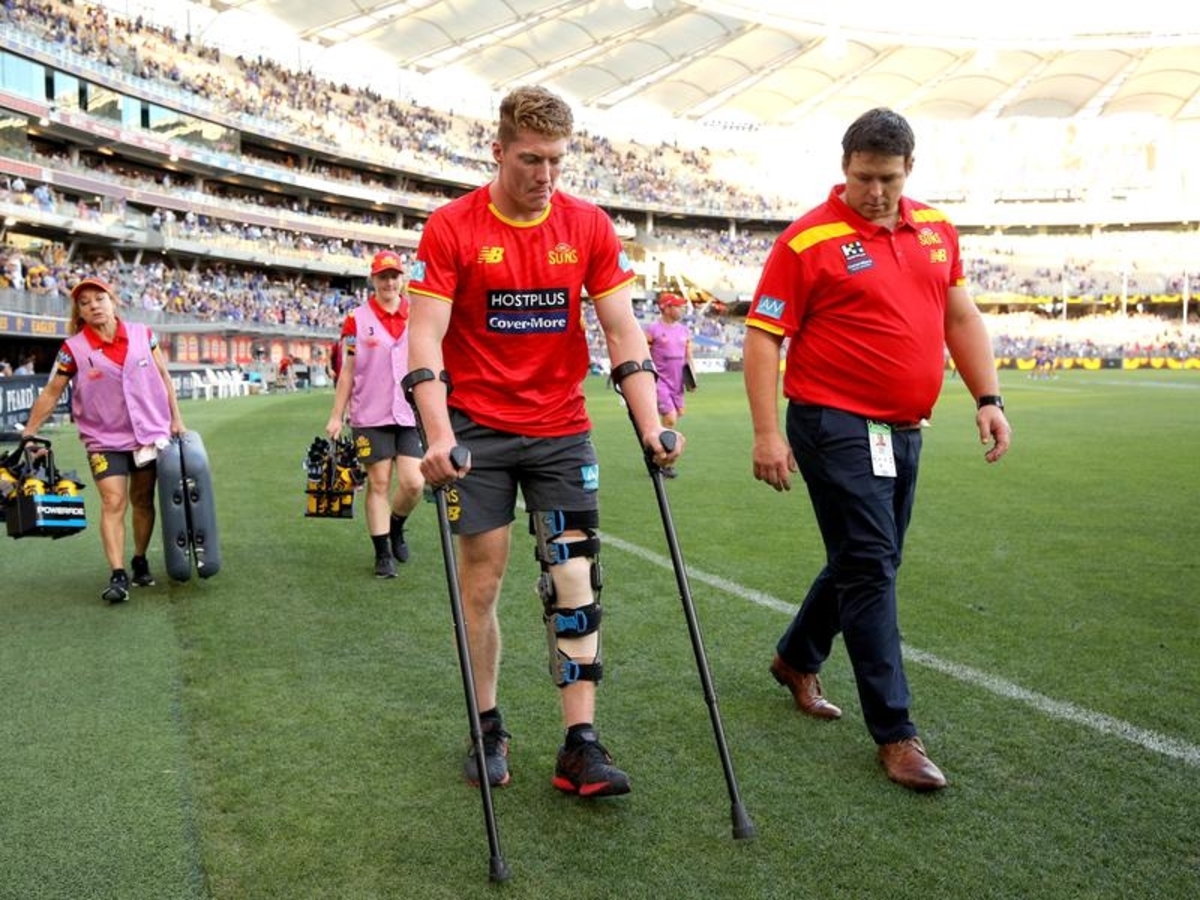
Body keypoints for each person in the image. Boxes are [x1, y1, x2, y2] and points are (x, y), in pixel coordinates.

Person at [405, 85, 681, 798]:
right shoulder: (452, 227)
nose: (546, 175)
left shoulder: (587, 225)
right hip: (477, 432)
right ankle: (487, 726)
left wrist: (651, 423)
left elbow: (622, 329)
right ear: (499, 152)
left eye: (557, 160)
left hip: (561, 429)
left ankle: (580, 744)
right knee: (482, 581)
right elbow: (425, 338)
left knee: (575, 578)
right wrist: (438, 434)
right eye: (531, 159)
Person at [742, 108, 1012, 792]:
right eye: (864, 177)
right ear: (845, 167)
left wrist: (988, 396)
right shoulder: (807, 241)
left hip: (903, 428)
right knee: (870, 566)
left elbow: (959, 315)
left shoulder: (938, 230)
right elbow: (764, 337)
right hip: (831, 422)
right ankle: (896, 734)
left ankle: (797, 657)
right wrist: (767, 432)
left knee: (870, 559)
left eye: (888, 178)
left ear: (909, 169)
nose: (875, 191)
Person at [19, 277, 185, 603]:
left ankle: (139, 559)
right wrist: (29, 431)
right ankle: (118, 574)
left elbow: (164, 376)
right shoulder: (73, 350)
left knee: (142, 500)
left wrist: (176, 419)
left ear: (113, 301)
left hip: (148, 435)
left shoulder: (143, 334)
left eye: (99, 298)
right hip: (103, 439)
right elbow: (52, 391)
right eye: (85, 303)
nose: (94, 305)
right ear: (79, 313)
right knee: (113, 501)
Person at [325, 250, 424, 579]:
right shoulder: (356, 320)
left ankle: (396, 525)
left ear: (401, 279)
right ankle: (382, 553)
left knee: (414, 482)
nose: (389, 282)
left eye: (394, 276)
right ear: (373, 279)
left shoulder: (416, 313)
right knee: (379, 482)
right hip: (370, 414)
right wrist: (337, 415)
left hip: (410, 413)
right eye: (383, 276)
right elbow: (347, 371)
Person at [643, 291, 695, 476]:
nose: (682, 309)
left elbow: (688, 356)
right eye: (678, 306)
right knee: (670, 418)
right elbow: (644, 354)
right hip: (660, 381)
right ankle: (663, 460)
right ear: (666, 308)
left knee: (674, 418)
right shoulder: (653, 330)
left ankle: (655, 452)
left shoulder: (684, 330)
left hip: (677, 382)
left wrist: (692, 378)